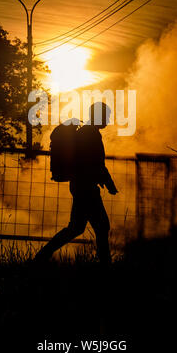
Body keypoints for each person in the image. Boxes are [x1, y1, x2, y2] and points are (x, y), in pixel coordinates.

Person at [34, 102, 118, 265]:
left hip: (81, 185)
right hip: (86, 187)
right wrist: (109, 183)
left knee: (76, 228)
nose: (108, 119)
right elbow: (96, 163)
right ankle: (105, 266)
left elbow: (92, 163)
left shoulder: (86, 133)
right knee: (101, 226)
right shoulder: (90, 134)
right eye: (106, 116)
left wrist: (105, 181)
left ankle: (41, 257)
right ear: (97, 116)